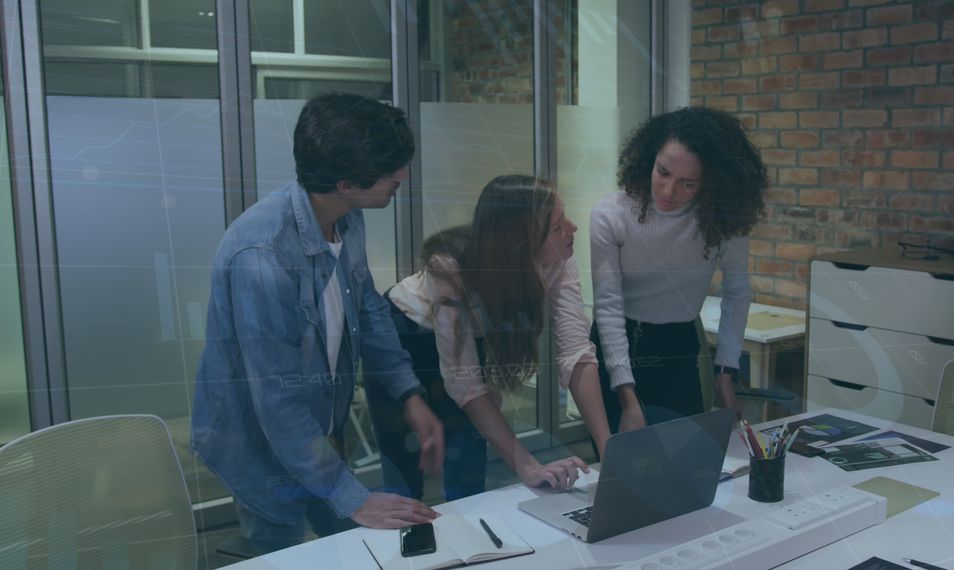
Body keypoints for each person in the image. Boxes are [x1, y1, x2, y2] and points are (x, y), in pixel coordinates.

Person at [191, 93, 446, 555]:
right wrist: (354, 497)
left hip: (318, 427)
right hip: (259, 443)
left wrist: (409, 393)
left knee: (350, 545)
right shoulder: (262, 256)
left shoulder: (345, 218)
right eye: (392, 168)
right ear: (346, 182)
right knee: (280, 549)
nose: (402, 176)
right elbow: (278, 401)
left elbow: (368, 309)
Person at [366, 175, 644, 502]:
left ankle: (473, 545)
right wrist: (528, 466)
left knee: (467, 461)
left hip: (466, 338)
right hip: (406, 335)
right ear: (522, 244)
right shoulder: (450, 265)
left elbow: (576, 353)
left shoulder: (559, 258)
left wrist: (607, 447)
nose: (572, 229)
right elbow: (465, 382)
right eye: (557, 226)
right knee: (405, 471)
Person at [590, 106, 767, 431]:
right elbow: (608, 306)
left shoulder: (723, 218)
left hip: (678, 348)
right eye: (663, 172)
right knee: (620, 468)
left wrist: (725, 373)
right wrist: (627, 397)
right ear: (649, 158)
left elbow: (738, 292)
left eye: (688, 184)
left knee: (683, 462)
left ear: (711, 182)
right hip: (615, 345)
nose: (669, 191)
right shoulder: (611, 213)